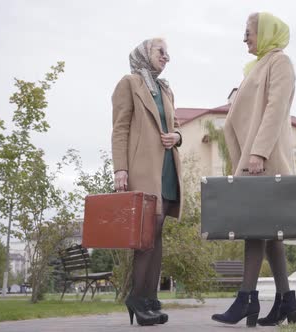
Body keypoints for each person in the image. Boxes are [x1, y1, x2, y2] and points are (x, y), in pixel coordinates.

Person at [211, 12, 296, 327]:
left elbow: (276, 108)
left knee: (254, 227)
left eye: (248, 31)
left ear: (265, 32)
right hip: (253, 158)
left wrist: (258, 152)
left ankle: (246, 297)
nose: (244, 37)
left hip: (265, 159)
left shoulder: (280, 62)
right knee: (269, 233)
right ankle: (286, 301)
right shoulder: (257, 67)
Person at [111, 38, 183, 326]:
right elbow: (120, 129)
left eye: (168, 52)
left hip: (166, 169)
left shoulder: (165, 89)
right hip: (142, 169)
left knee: (156, 236)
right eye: (161, 52)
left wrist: (177, 137)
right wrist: (120, 169)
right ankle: (138, 298)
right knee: (144, 238)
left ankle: (149, 300)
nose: (167, 57)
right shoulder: (128, 84)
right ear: (144, 54)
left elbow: (175, 125)